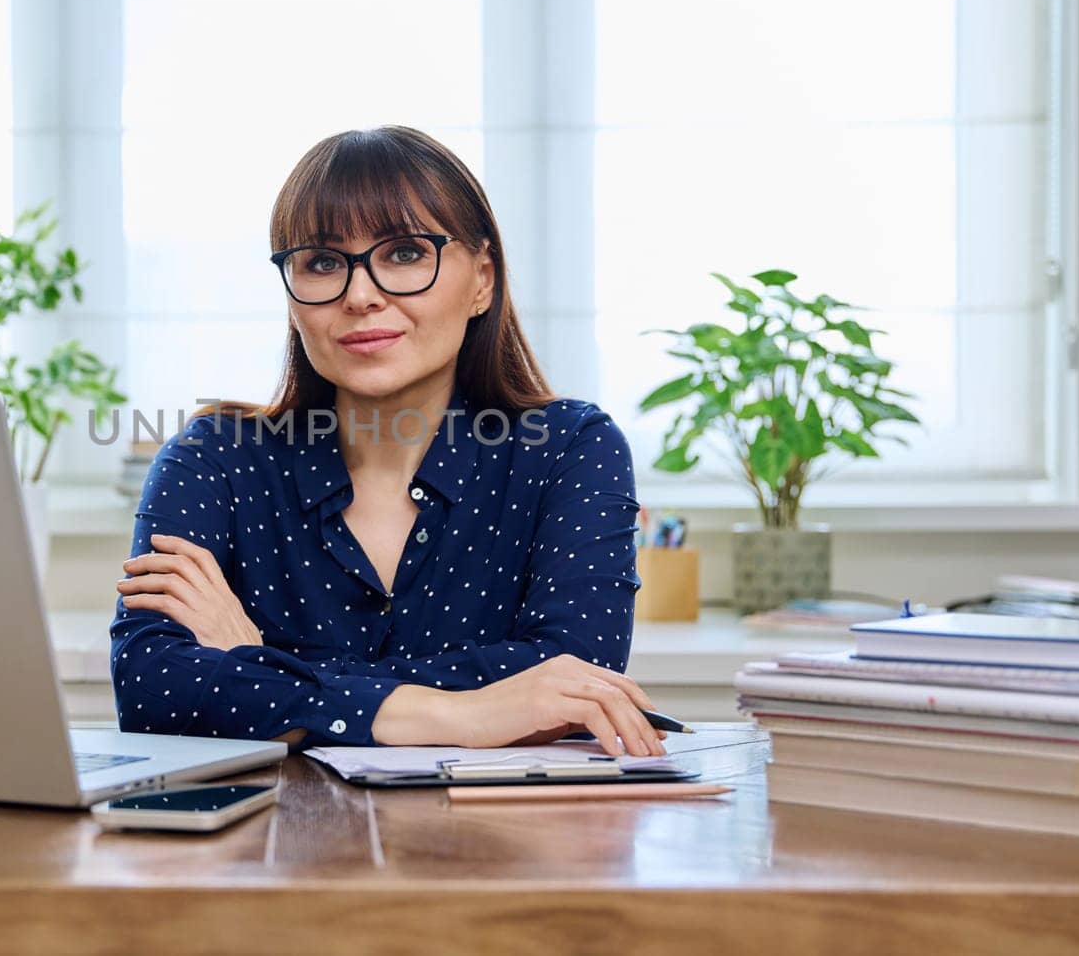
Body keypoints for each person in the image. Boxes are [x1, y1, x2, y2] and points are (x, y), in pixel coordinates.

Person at [108, 125, 664, 755]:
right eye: (321, 263)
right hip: (270, 844)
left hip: (504, 844)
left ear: (481, 279)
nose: (361, 295)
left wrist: (255, 665)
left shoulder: (569, 449)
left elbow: (575, 679)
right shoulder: (214, 457)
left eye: (403, 253)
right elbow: (150, 687)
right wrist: (466, 715)